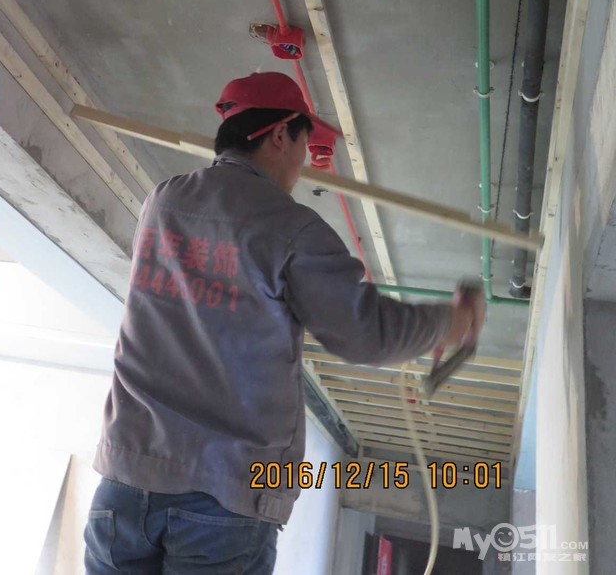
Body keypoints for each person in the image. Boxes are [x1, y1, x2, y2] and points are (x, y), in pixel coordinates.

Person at [84, 71, 485, 574]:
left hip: (121, 489)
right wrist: (452, 322)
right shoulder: (290, 227)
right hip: (223, 502)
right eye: (304, 144)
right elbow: (366, 332)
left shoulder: (161, 201)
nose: (304, 161)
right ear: (279, 135)